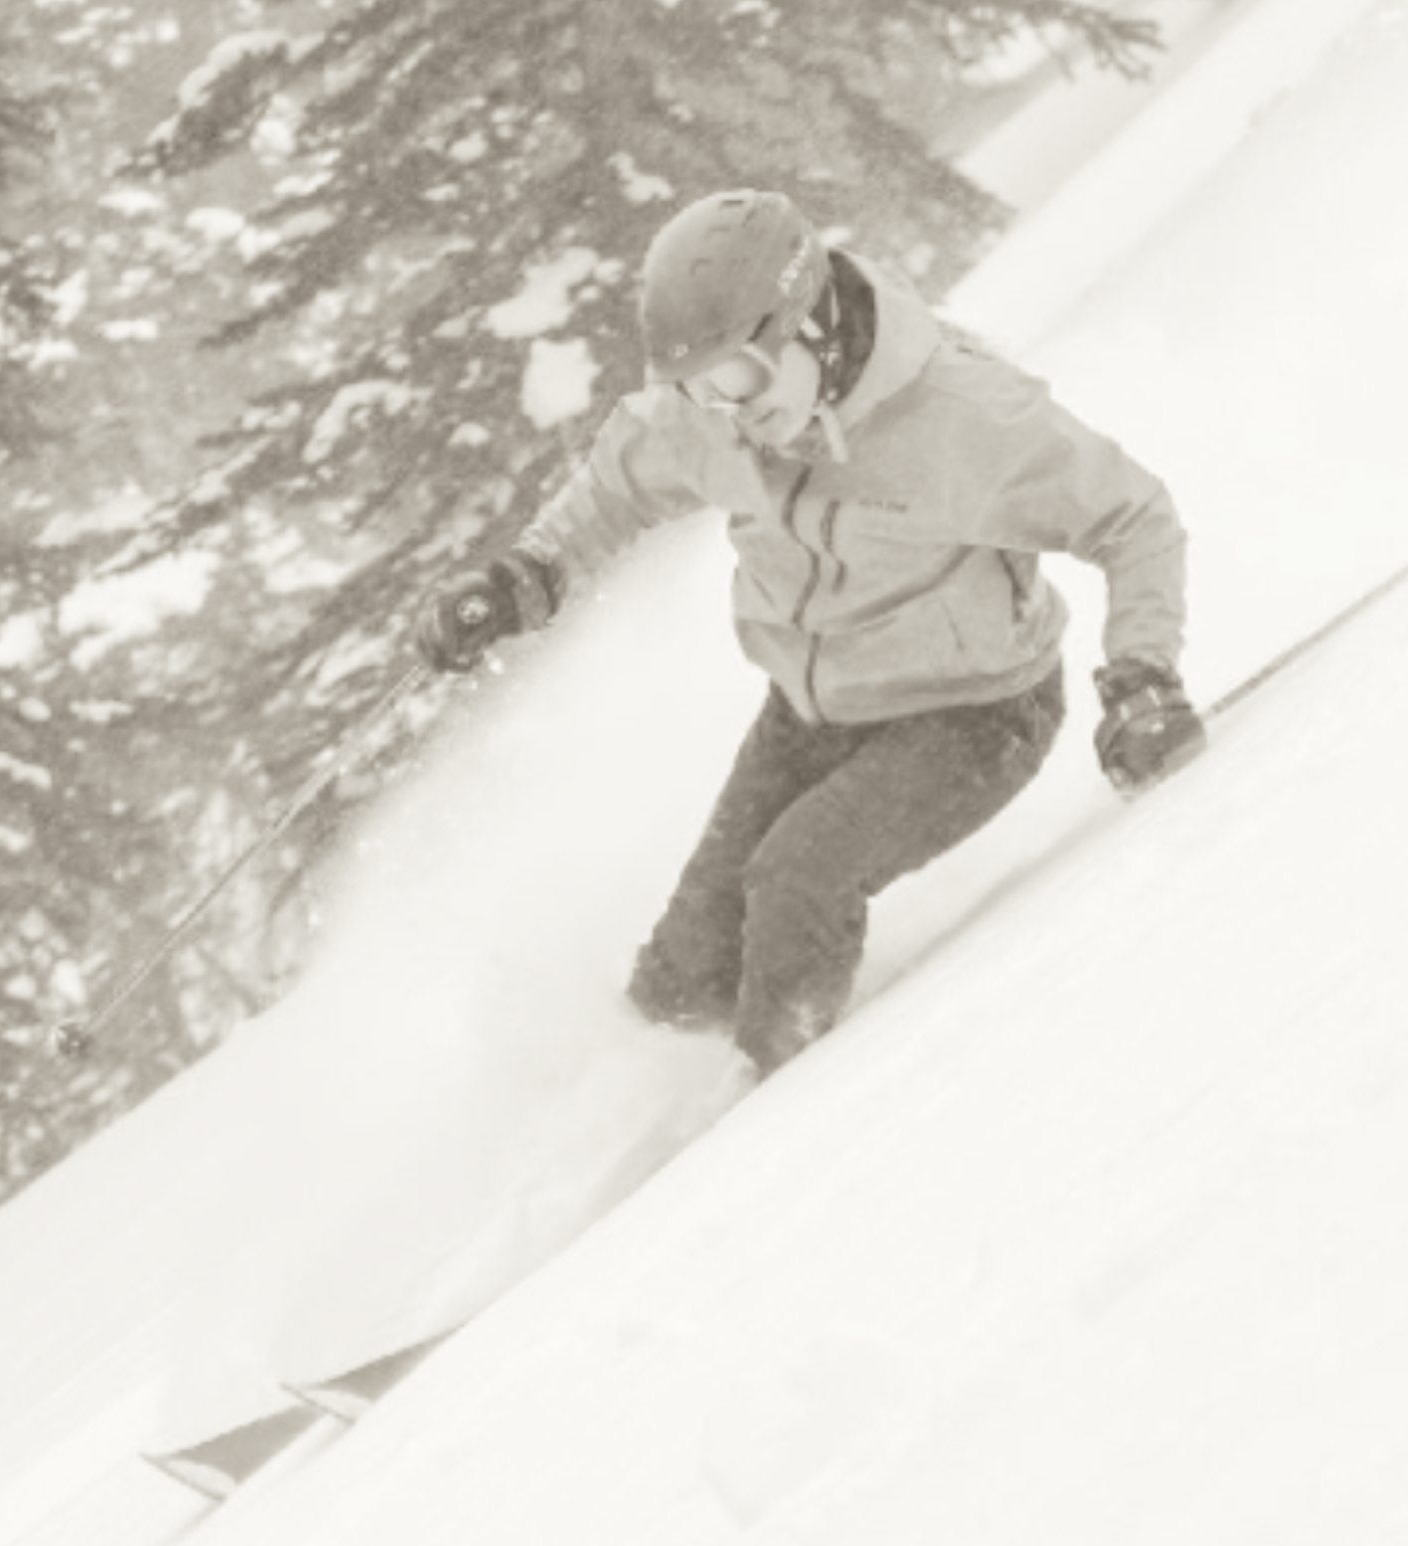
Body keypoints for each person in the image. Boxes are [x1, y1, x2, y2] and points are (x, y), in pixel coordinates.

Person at [411, 188, 1206, 1081]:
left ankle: (784, 1109)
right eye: (699, 389)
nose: (726, 411)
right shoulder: (717, 418)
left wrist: (1143, 676)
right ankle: (654, 1115)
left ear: (812, 325)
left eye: (738, 378)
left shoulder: (960, 414)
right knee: (683, 972)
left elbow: (1133, 517)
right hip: (809, 715)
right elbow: (615, 488)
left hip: (975, 714)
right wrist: (523, 577)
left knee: (797, 881)